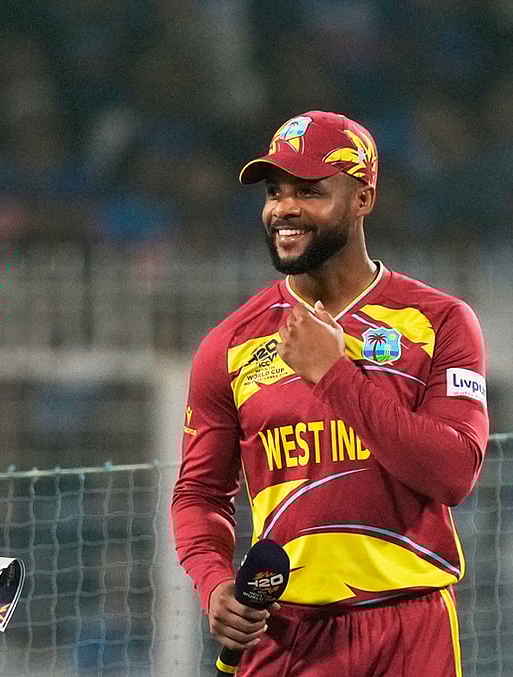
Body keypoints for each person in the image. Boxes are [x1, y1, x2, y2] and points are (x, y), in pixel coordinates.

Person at [171, 111, 489, 675]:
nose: (283, 210)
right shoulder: (229, 344)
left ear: (363, 197)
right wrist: (215, 583)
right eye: (275, 192)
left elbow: (454, 471)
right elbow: (199, 495)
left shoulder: (438, 322)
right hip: (284, 636)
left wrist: (336, 376)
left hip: (410, 630)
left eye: (309, 192)